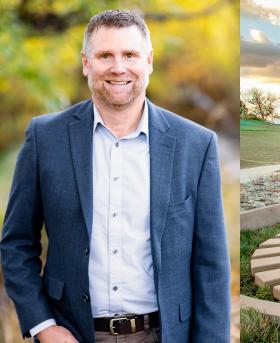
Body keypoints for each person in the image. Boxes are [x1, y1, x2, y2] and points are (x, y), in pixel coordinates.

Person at [0, 10, 230, 343]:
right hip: (73, 333)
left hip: (164, 334)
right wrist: (44, 327)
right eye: (105, 55)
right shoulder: (45, 138)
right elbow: (16, 243)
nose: (118, 67)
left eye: (130, 55)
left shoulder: (196, 144)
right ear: (86, 63)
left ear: (148, 61)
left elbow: (211, 266)